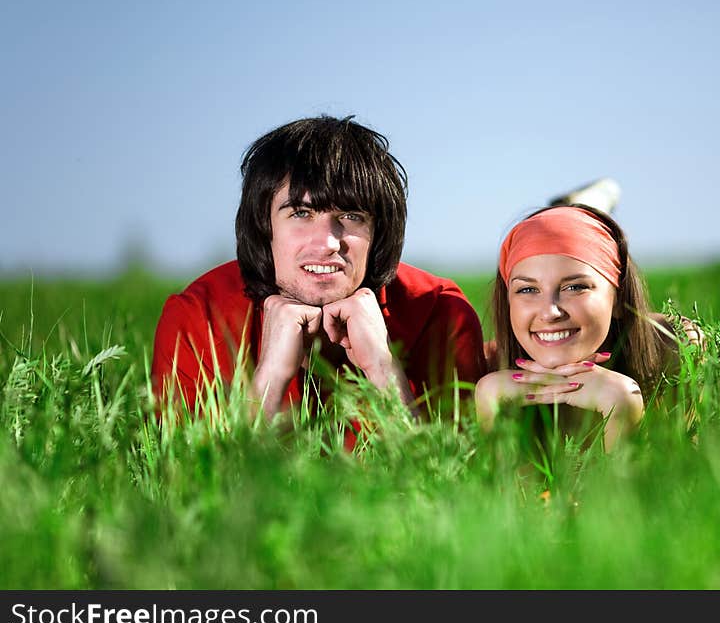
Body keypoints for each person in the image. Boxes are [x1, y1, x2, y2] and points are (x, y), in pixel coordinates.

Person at [151, 115, 487, 446]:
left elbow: (447, 489)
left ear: (380, 233)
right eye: (300, 214)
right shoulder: (198, 319)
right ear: (263, 226)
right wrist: (270, 380)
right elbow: (191, 489)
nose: (327, 243)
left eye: (351, 216)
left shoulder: (441, 313)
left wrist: (385, 372)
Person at [475, 203, 701, 452]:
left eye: (575, 287)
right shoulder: (486, 369)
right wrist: (489, 407)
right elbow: (512, 490)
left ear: (618, 297)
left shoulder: (674, 345)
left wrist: (623, 409)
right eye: (527, 289)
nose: (550, 312)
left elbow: (686, 480)